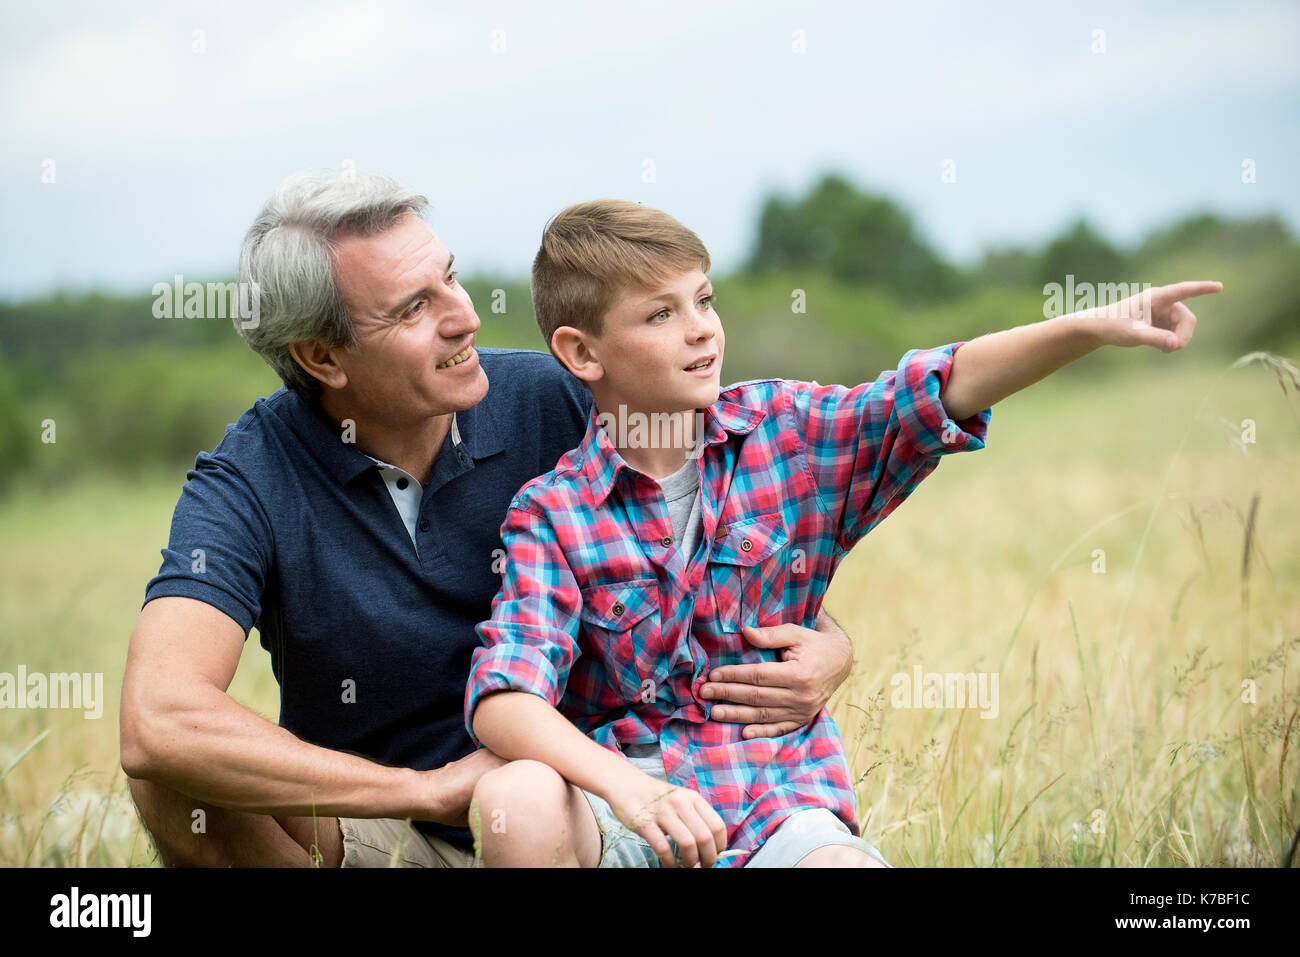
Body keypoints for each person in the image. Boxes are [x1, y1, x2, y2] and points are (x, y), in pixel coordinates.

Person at [119, 170, 859, 868]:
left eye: (450, 276)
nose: (464, 316)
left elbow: (718, 549)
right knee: (174, 782)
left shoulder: (559, 399)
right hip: (382, 828)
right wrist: (425, 790)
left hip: (574, 812)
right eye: (414, 308)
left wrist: (831, 646)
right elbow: (159, 719)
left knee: (527, 796)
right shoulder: (249, 477)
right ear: (322, 357)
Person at [465, 199, 1221, 868]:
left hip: (772, 802)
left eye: (704, 299)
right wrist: (632, 790)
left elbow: (933, 391)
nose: (700, 330)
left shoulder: (786, 435)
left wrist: (1087, 327)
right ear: (582, 352)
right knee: (517, 796)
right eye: (660, 314)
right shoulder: (553, 512)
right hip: (625, 810)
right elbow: (505, 694)